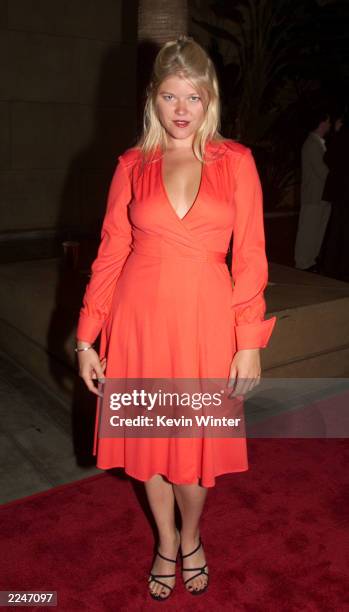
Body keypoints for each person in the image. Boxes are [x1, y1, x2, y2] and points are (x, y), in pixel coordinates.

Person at [75, 36, 277, 600]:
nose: (182, 109)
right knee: (149, 450)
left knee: (192, 456)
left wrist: (249, 340)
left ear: (209, 99)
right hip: (138, 324)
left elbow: (253, 256)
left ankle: (192, 535)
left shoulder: (236, 162)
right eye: (170, 96)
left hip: (206, 325)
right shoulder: (132, 164)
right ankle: (166, 541)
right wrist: (87, 339)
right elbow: (111, 252)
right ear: (153, 101)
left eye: (193, 96)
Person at [294, 108, 332, 271]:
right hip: (313, 195)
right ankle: (302, 262)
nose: (330, 125)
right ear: (322, 123)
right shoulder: (311, 143)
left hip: (322, 195)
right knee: (308, 230)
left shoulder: (320, 144)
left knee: (317, 230)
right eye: (328, 121)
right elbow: (321, 171)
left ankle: (310, 261)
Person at [319, 112, 349, 280]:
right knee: (342, 230)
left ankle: (330, 266)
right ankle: (341, 267)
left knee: (336, 228)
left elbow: (328, 158)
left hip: (338, 191)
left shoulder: (340, 137)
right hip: (344, 191)